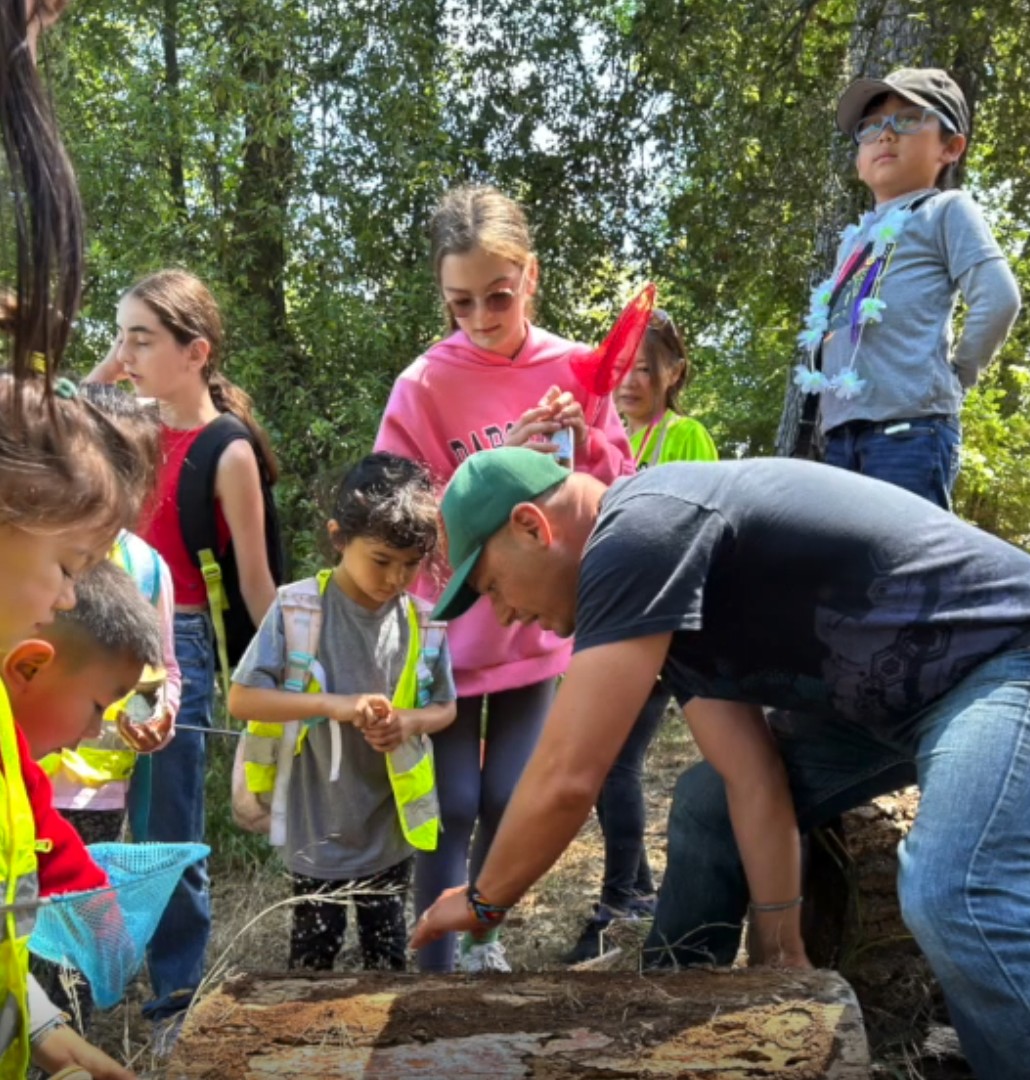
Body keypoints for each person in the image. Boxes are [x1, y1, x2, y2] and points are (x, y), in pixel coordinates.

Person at [413, 447, 1030, 1080]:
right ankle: (661, 1033)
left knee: (957, 892)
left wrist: (486, 902)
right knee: (709, 802)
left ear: (531, 526)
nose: (505, 615)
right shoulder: (666, 590)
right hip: (894, 710)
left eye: (492, 587)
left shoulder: (641, 528)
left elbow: (568, 776)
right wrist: (781, 948)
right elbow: (750, 776)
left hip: (1001, 661)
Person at [375, 184, 634, 973]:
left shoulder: (576, 368)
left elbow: (620, 493)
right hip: (450, 629)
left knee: (508, 795)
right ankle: (433, 968)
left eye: (499, 295)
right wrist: (493, 464)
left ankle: (481, 944)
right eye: (461, 303)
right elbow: (398, 513)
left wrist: (590, 441)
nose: (483, 318)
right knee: (449, 803)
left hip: (537, 625)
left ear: (531, 276)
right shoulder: (424, 384)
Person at [85, 269, 279, 1030]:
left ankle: (173, 1002)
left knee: (167, 833)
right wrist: (113, 363)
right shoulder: (116, 426)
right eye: (119, 337)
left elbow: (256, 582)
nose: (124, 355)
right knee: (78, 817)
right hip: (90, 633)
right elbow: (53, 417)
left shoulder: (226, 450)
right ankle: (76, 989)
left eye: (142, 339)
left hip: (176, 648)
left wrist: (289, 678)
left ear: (196, 352)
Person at [229, 453, 456, 972]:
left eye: (411, 564)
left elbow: (446, 706)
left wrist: (409, 721)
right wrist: (333, 705)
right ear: (338, 538)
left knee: (387, 953)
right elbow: (242, 698)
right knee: (314, 954)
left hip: (388, 829)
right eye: (381, 560)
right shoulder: (297, 610)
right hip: (317, 826)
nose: (395, 577)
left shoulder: (423, 624)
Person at [563, 309, 719, 963]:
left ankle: (618, 901)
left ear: (674, 373)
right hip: (613, 620)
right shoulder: (611, 434)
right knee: (609, 763)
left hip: (657, 622)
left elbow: (688, 526)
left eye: (645, 368)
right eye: (621, 368)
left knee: (617, 762)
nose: (629, 381)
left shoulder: (685, 436)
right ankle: (639, 891)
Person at [792, 67, 1020, 510]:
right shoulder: (853, 242)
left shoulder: (946, 210)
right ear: (858, 161)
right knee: (843, 555)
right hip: (839, 438)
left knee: (901, 553)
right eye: (871, 126)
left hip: (907, 433)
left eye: (909, 119)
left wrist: (957, 376)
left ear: (950, 147)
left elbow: (998, 298)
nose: (886, 134)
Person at [5, 559, 161, 1080]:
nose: (95, 731)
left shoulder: (17, 767)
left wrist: (47, 1033)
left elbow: (53, 844)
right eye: (98, 706)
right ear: (29, 669)